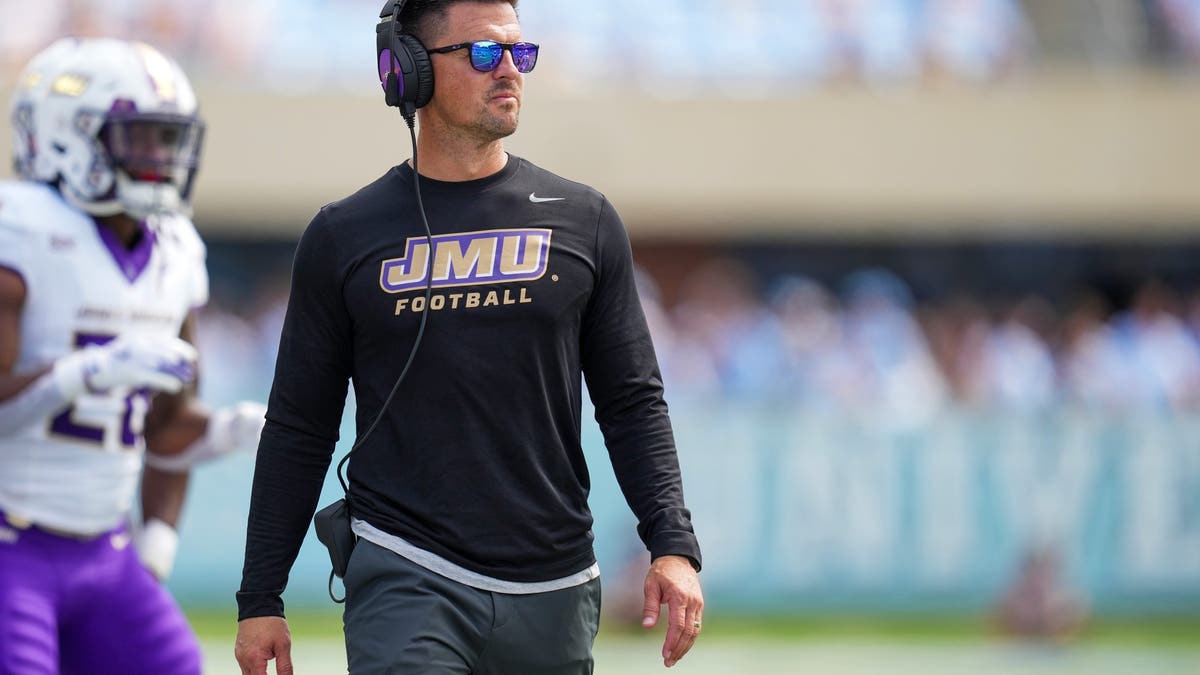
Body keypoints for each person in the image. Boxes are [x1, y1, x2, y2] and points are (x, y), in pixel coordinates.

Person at [234, 1, 704, 673]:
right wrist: (261, 596)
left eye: (521, 52)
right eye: (485, 54)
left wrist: (673, 545)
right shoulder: (343, 235)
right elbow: (299, 428)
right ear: (412, 70)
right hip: (405, 569)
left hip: (555, 583)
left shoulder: (586, 220)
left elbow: (632, 402)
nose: (510, 69)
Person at [0, 37, 265, 674]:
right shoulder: (22, 230)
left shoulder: (176, 250)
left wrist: (231, 430)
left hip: (105, 551)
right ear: (68, 136)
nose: (160, 158)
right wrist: (83, 374)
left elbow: (170, 424)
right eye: (140, 138)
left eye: (168, 140)